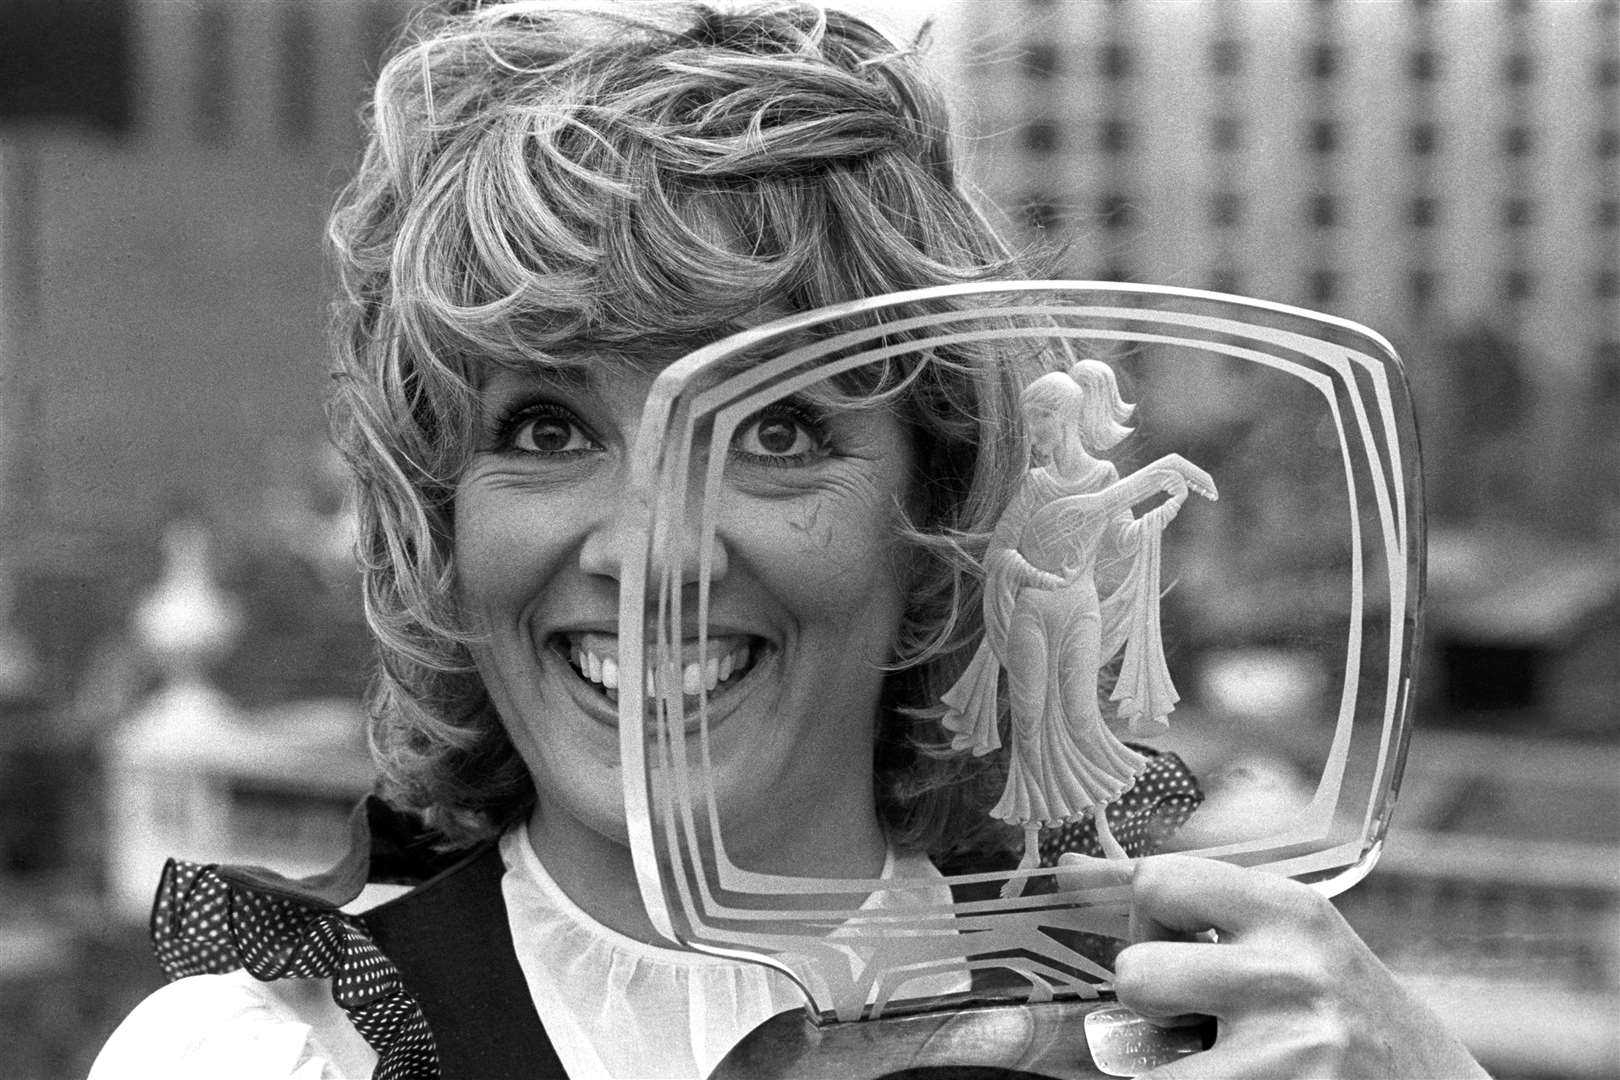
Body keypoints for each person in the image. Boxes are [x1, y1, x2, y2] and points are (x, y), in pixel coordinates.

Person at [92, 3, 1489, 1078]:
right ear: (438, 516)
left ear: (934, 509)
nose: (650, 559)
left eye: (775, 431)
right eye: (542, 427)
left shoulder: (1185, 1019)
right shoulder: (262, 1054)